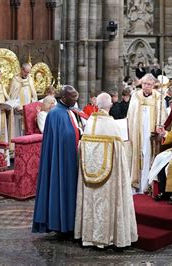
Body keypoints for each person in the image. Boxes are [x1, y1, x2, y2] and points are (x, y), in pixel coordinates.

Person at [74, 92, 138, 248]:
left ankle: (89, 236)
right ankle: (109, 237)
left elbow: (81, 147)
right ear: (109, 106)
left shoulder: (89, 124)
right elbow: (120, 153)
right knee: (107, 204)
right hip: (109, 179)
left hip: (89, 177)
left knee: (92, 204)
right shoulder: (112, 125)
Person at [32, 85, 82, 234]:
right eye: (73, 97)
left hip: (70, 158)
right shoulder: (55, 114)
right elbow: (56, 141)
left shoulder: (69, 111)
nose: (76, 99)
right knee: (60, 187)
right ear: (64, 97)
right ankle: (60, 223)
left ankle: (69, 222)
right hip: (60, 161)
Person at [127, 74, 167, 193]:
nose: (146, 86)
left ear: (154, 85)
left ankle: (148, 185)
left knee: (148, 156)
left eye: (149, 84)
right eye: (144, 84)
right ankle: (137, 184)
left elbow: (162, 115)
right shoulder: (135, 96)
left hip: (150, 134)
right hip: (137, 132)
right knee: (137, 155)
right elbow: (131, 114)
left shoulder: (158, 97)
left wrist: (159, 127)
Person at [9, 63, 38, 137]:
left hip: (28, 110)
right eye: (26, 72)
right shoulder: (15, 80)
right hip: (18, 110)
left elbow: (33, 94)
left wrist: (32, 106)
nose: (27, 74)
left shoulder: (30, 79)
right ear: (21, 70)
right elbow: (12, 95)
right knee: (18, 131)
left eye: (29, 72)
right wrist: (16, 107)